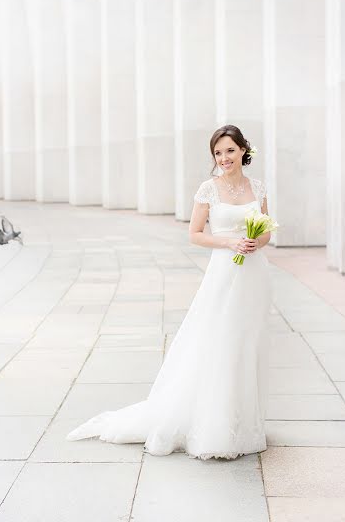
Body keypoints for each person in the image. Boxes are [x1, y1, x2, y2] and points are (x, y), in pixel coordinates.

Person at [66, 125, 273, 460]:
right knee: (220, 342)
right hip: (223, 274)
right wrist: (229, 241)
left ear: (243, 151)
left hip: (255, 277)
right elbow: (194, 234)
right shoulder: (209, 189)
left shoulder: (258, 188)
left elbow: (266, 231)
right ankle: (214, 427)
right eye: (218, 153)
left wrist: (255, 241)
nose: (224, 159)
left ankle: (244, 423)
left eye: (230, 151)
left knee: (248, 344)